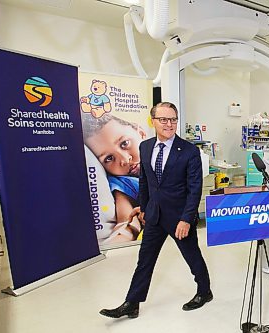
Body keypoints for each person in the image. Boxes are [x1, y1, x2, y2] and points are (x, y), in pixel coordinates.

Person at [99, 102, 212, 319]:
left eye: (173, 119)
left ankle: (204, 291)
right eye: (163, 119)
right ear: (153, 121)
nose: (169, 124)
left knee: (192, 256)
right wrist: (143, 205)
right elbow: (145, 181)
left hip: (179, 217)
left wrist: (187, 218)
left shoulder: (189, 151)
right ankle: (132, 303)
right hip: (153, 215)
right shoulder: (146, 146)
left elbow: (194, 188)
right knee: (145, 260)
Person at [82, 114, 147, 243]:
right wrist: (123, 235)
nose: (124, 160)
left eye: (125, 143)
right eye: (109, 158)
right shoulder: (123, 183)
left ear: (141, 133)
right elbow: (126, 220)